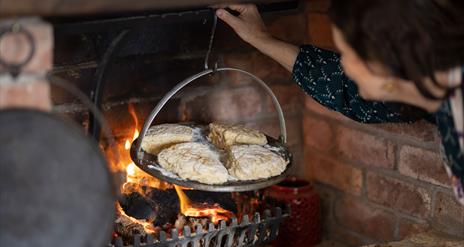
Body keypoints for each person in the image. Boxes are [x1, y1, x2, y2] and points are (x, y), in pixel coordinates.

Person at [214, 1, 464, 205]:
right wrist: (261, 39)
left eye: (350, 55)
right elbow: (343, 88)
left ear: (391, 61)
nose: (344, 66)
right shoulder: (432, 87)